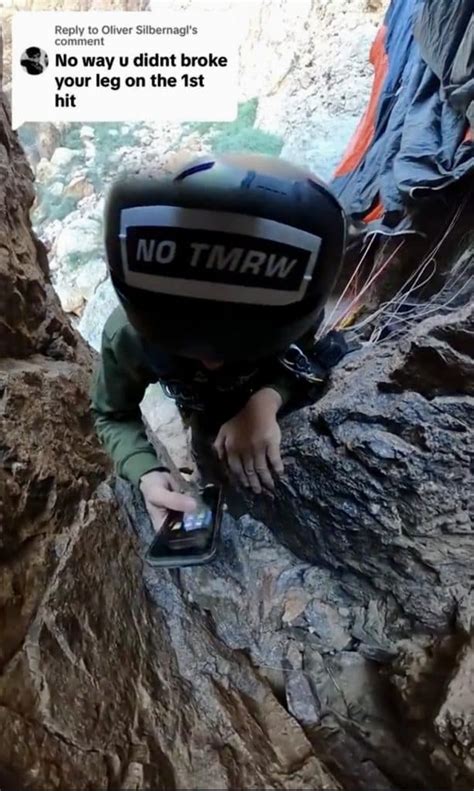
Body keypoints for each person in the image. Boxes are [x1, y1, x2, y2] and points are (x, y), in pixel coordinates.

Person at [90, 153, 347, 532]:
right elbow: (112, 413)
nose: (211, 363)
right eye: (188, 347)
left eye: (236, 348)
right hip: (205, 426)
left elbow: (317, 351)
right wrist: (145, 472)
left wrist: (268, 398)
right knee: (215, 477)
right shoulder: (128, 336)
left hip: (284, 409)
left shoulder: (295, 304)